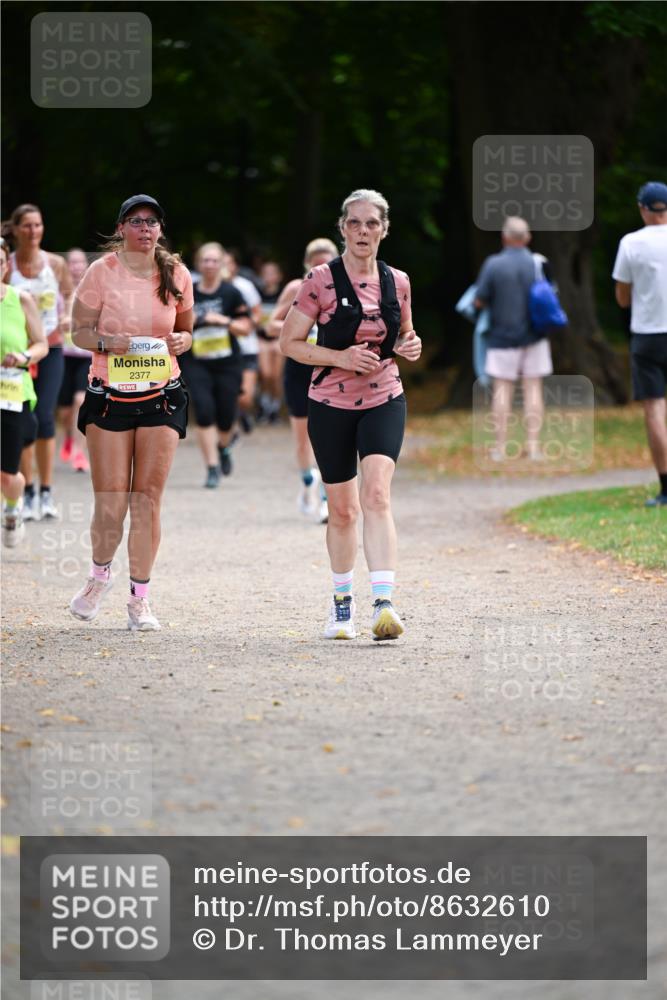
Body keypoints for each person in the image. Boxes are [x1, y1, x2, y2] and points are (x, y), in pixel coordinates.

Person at [280, 189, 421, 641]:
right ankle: (343, 603)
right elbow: (290, 344)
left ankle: (384, 603)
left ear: (384, 229)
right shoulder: (319, 280)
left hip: (384, 396)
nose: (364, 231)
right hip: (330, 403)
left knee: (376, 495)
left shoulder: (398, 280)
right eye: (355, 223)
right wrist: (341, 358)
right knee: (342, 511)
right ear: (343, 228)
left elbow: (405, 334)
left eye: (372, 223)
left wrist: (410, 346)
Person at [68, 194, 193, 630]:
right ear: (121, 227)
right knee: (111, 501)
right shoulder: (100, 273)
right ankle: (98, 575)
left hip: (161, 393)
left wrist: (182, 342)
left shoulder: (175, 272)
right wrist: (107, 342)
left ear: (160, 229)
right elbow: (78, 332)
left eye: (152, 222)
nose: (145, 229)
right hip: (110, 395)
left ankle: (140, 598)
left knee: (147, 500)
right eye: (136, 221)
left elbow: (186, 330)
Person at [4, 203, 73, 519]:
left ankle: (45, 492)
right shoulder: (8, 265)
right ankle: (25, 489)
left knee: (45, 416)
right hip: (12, 356)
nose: (34, 231)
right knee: (23, 421)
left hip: (50, 348)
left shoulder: (55, 264)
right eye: (27, 225)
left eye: (38, 225)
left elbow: (71, 295)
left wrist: (69, 316)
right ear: (16, 229)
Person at [268, 238, 338, 522]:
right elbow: (272, 324)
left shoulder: (344, 289)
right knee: (303, 440)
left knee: (330, 438)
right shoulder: (296, 288)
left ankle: (325, 496)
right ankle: (308, 483)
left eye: (327, 263)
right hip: (299, 371)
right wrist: (297, 329)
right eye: (316, 264)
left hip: (331, 372)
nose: (321, 269)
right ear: (307, 265)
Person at [474, 216, 553, 461]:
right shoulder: (538, 263)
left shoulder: (493, 264)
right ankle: (534, 447)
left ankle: (500, 448)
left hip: (501, 337)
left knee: (502, 392)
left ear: (504, 237)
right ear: (527, 237)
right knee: (533, 390)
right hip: (535, 337)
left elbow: (479, 299)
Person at [179, 242, 252, 487]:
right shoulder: (189, 293)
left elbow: (245, 328)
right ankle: (211, 467)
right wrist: (197, 321)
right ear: (198, 264)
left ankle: (223, 447)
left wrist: (221, 321)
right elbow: (175, 323)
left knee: (225, 414)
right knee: (204, 409)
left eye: (214, 260)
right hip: (196, 361)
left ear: (222, 264)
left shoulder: (231, 293)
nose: (209, 265)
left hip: (227, 362)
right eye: (205, 260)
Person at [613, 181, 667, 507]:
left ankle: (665, 487)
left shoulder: (631, 243)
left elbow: (621, 298)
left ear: (643, 209)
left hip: (648, 333)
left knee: (655, 409)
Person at [1, 238, 48, 546]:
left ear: (5, 266)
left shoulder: (21, 299)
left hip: (11, 391)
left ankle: (13, 508)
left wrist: (23, 357)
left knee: (6, 475)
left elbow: (42, 344)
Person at [58, 248, 91, 472]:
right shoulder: (57, 293)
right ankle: (69, 435)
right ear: (66, 266)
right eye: (72, 262)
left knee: (81, 401)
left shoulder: (93, 292)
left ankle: (79, 453)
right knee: (64, 411)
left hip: (86, 356)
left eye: (81, 262)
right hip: (62, 356)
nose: (77, 266)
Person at [224, 249, 262, 433]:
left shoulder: (245, 286)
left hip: (247, 347)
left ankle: (243, 412)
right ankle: (229, 428)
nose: (224, 267)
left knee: (245, 395)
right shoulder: (207, 287)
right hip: (221, 350)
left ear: (235, 266)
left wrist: (244, 323)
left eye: (228, 263)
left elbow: (258, 315)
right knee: (226, 392)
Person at [257, 261, 285, 424]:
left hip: (279, 338)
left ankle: (274, 408)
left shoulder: (284, 294)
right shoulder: (257, 294)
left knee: (276, 376)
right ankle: (264, 404)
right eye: (265, 273)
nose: (269, 277)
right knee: (266, 374)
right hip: (262, 338)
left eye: (272, 273)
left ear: (279, 276)